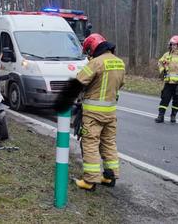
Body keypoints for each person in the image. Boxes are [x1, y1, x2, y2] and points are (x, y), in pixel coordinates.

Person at [53, 33, 125, 191]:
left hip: (93, 113)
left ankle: (89, 181)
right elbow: (120, 84)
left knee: (90, 143)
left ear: (92, 48)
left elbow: (78, 82)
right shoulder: (119, 62)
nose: (89, 55)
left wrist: (62, 103)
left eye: (88, 51)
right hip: (111, 112)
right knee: (108, 143)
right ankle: (109, 176)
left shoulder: (96, 63)